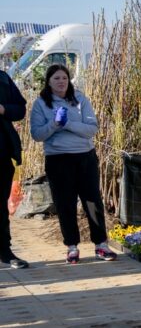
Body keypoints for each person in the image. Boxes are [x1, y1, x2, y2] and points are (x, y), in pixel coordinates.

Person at [29, 64, 117, 264]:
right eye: (56, 78)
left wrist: (67, 124)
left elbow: (91, 129)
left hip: (84, 157)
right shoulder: (41, 104)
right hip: (58, 159)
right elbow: (37, 134)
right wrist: (54, 124)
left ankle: (101, 244)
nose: (61, 82)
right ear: (48, 82)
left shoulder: (80, 99)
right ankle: (72, 246)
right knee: (65, 203)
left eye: (64, 78)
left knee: (92, 201)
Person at [0, 67, 29, 268]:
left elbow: (20, 109)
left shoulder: (2, 78)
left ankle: (5, 251)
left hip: (1, 154)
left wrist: (4, 109)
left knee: (1, 206)